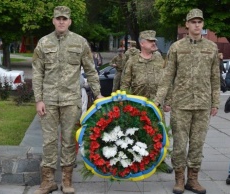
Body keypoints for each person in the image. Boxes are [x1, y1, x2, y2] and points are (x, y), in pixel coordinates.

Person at [32, 5, 103, 194]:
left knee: (70, 141)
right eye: (58, 18)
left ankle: (67, 181)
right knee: (48, 141)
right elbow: (37, 72)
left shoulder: (79, 42)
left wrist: (98, 95)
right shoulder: (43, 43)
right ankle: (47, 181)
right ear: (53, 21)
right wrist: (38, 99)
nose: (61, 21)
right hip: (48, 100)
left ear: (70, 21)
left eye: (65, 18)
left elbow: (90, 71)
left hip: (71, 100)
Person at [154, 8, 220, 194]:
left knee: (197, 144)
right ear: (187, 24)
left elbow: (215, 78)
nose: (196, 25)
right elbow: (167, 76)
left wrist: (215, 102)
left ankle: (193, 179)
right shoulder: (176, 47)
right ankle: (179, 179)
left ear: (203, 24)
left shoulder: (211, 48)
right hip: (180, 104)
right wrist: (159, 101)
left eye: (199, 22)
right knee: (180, 145)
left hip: (202, 104)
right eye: (193, 22)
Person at [120, 30, 173, 174]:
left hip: (157, 105)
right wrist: (124, 102)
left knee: (159, 134)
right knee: (136, 133)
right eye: (151, 41)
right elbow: (125, 83)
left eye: (154, 41)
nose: (154, 43)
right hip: (138, 106)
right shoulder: (132, 61)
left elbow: (166, 82)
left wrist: (168, 101)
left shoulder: (160, 60)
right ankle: (136, 160)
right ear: (142, 43)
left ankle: (160, 161)